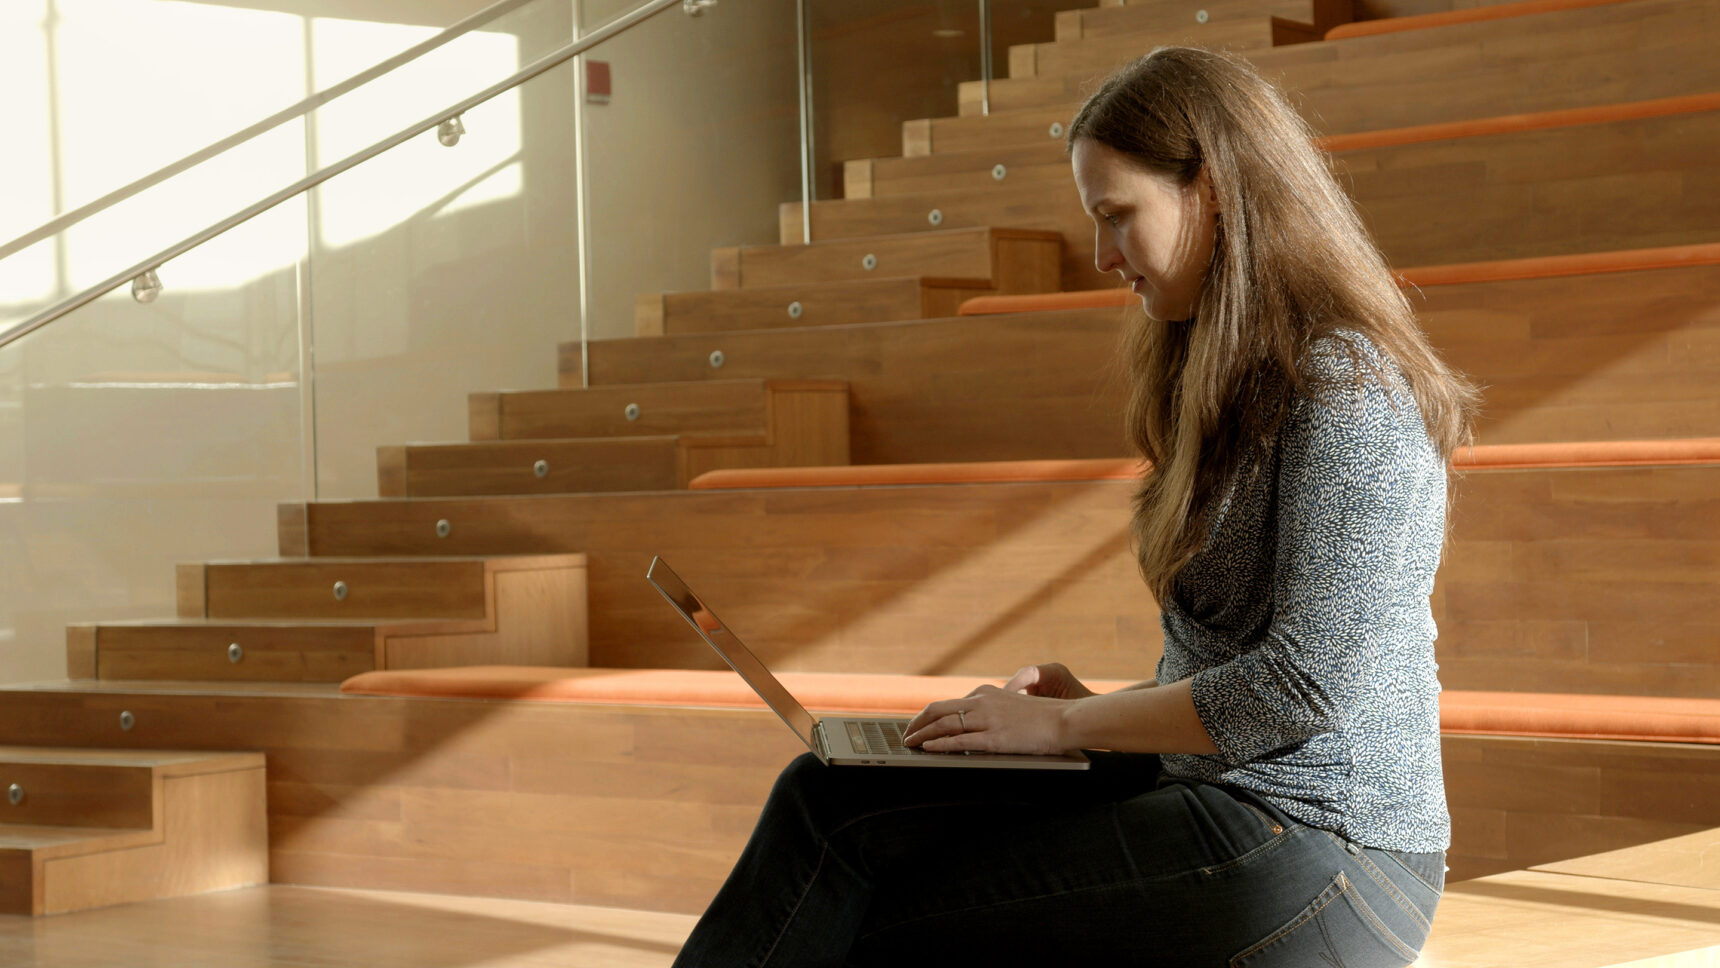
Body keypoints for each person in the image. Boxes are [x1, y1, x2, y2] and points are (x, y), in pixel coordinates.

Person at [670, 45, 1482, 968]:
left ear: (1211, 189)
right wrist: (1092, 711)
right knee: (826, 801)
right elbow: (1240, 674)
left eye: (1117, 217)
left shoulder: (1348, 391)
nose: (1101, 257)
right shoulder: (1223, 379)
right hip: (1230, 797)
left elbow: (1302, 689)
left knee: (884, 922)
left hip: (1335, 855)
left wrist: (1064, 728)